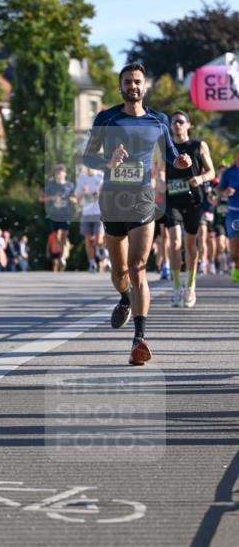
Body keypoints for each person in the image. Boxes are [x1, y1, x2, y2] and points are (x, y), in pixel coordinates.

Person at [82, 61, 192, 366]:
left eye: (137, 81)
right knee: (119, 274)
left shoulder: (158, 120)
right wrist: (109, 162)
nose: (133, 86)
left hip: (143, 199)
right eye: (128, 81)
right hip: (113, 200)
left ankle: (139, 339)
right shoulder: (107, 118)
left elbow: (170, 155)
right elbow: (87, 156)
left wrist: (180, 163)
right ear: (121, 86)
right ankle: (124, 298)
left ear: (145, 86)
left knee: (139, 266)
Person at [164, 111, 214, 308]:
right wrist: (158, 182)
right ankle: (177, 287)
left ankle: (191, 286)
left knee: (191, 244)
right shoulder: (166, 147)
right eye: (173, 122)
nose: (176, 125)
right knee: (174, 241)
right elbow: (158, 168)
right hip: (172, 199)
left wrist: (200, 179)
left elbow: (211, 171)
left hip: (193, 200)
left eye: (180, 121)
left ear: (188, 125)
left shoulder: (198, 145)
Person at [75, 165, 105, 272]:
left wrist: (100, 194)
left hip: (99, 212)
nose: (89, 168)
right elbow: (77, 199)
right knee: (88, 239)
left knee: (98, 238)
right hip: (86, 213)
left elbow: (108, 193)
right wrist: (83, 192)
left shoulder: (101, 176)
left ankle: (99, 250)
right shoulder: (82, 179)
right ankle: (92, 263)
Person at [218, 147, 239, 283]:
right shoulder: (228, 172)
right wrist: (225, 192)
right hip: (234, 212)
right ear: (235, 156)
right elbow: (218, 189)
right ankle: (236, 266)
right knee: (234, 250)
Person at [41, 164, 76, 236]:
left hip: (66, 215)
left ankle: (64, 245)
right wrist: (51, 198)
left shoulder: (70, 185)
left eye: (60, 173)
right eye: (57, 173)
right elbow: (41, 198)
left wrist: (71, 199)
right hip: (54, 215)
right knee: (55, 237)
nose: (58, 175)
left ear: (65, 174)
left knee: (63, 236)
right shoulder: (50, 185)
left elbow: (76, 199)